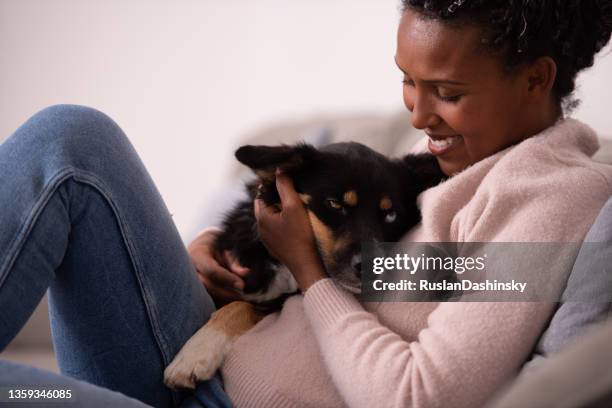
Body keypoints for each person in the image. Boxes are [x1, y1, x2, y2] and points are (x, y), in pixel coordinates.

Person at [0, 1, 611, 407]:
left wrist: (310, 269)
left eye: (447, 93)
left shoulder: (547, 196)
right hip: (198, 352)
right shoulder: (461, 166)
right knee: (71, 138)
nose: (419, 116)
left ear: (536, 79)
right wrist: (221, 254)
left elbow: (416, 393)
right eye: (408, 80)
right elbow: (380, 277)